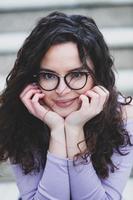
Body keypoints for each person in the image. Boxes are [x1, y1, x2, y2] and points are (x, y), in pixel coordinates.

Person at [0, 11, 133, 200]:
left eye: (77, 75)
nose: (62, 90)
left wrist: (74, 129)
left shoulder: (124, 117)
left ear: (98, 77)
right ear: (33, 78)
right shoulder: (19, 114)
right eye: (48, 75)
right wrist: (56, 131)